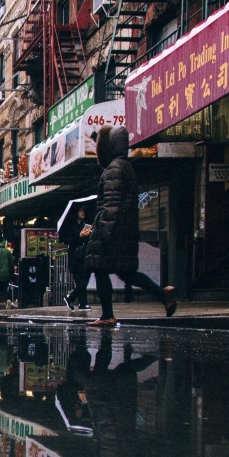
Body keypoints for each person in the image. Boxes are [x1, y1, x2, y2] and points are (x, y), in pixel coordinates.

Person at [84, 125, 176, 326]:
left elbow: (111, 203)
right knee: (127, 273)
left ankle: (107, 315)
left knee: (99, 268)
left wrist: (101, 232)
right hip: (124, 230)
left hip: (113, 231)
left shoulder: (113, 170)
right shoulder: (124, 166)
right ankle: (163, 294)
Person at [58, 205, 92, 310]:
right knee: (80, 280)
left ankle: (71, 298)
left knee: (85, 279)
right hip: (76, 256)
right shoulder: (70, 225)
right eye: (80, 211)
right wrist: (79, 236)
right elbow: (67, 240)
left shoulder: (85, 225)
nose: (83, 213)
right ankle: (83, 303)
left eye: (83, 210)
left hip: (85, 256)